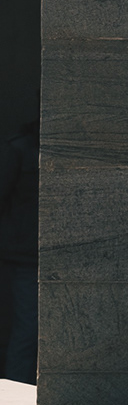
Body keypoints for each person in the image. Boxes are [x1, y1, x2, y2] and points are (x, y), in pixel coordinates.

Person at [0, 113, 39, 382]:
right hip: (26, 255)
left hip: (38, 253)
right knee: (27, 333)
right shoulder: (18, 149)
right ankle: (16, 392)